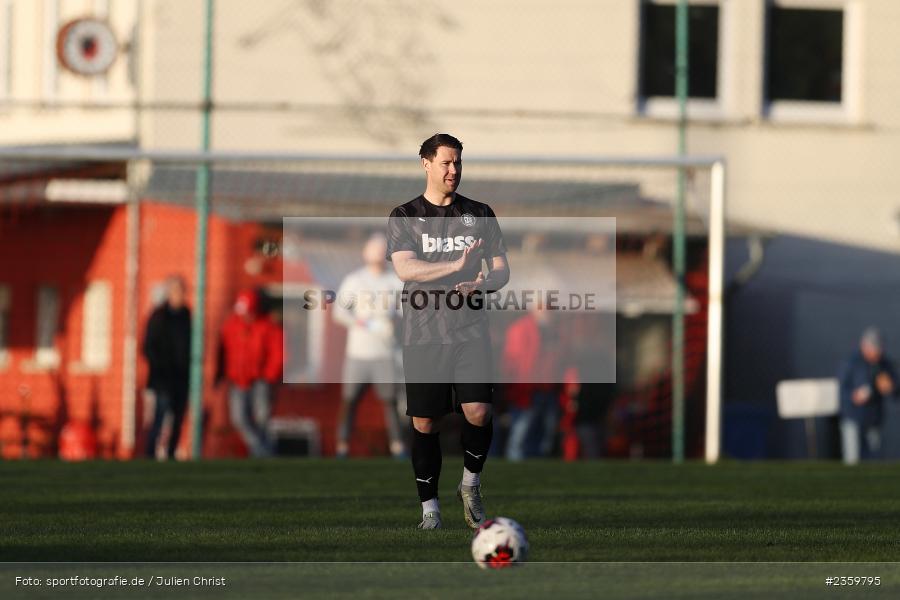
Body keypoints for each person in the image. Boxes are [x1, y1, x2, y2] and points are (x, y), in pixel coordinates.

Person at [387, 133, 510, 530]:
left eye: (458, 162)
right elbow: (406, 269)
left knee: (479, 411)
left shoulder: (480, 213)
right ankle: (430, 510)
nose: (453, 170)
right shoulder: (404, 215)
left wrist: (482, 284)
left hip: (470, 329)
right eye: (445, 163)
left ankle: (470, 484)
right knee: (426, 423)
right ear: (426, 163)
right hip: (424, 333)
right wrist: (455, 267)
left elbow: (502, 270)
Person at [333, 233, 406, 458]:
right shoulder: (354, 280)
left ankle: (398, 447)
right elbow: (339, 312)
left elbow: (407, 311)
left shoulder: (395, 282)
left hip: (385, 352)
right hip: (358, 353)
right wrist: (366, 323)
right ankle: (342, 446)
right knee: (350, 400)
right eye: (374, 249)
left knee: (389, 401)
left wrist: (393, 321)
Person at [216, 289, 283, 458]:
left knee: (262, 418)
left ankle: (264, 454)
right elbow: (222, 351)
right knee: (238, 419)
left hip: (260, 380)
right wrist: (220, 374)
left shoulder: (267, 326)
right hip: (237, 380)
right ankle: (261, 450)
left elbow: (278, 353)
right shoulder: (231, 325)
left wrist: (269, 375)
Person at [501, 306, 564, 461]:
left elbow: (565, 361)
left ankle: (539, 468)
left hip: (550, 389)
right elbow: (511, 363)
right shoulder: (520, 329)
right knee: (521, 434)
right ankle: (516, 468)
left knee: (545, 435)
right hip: (526, 390)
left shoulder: (558, 331)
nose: (548, 310)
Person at [143, 275, 191, 460]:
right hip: (162, 378)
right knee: (159, 419)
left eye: (182, 291)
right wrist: (161, 367)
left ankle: (171, 454)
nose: (179, 295)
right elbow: (148, 347)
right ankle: (150, 455)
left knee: (178, 419)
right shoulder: (158, 317)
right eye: (176, 291)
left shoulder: (187, 316)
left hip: (181, 378)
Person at [838, 327, 896, 465]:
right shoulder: (851, 362)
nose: (875, 353)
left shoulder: (884, 364)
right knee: (852, 459)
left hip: (873, 418)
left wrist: (890, 387)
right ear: (864, 346)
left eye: (877, 349)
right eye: (872, 348)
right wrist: (854, 396)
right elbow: (842, 390)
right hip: (853, 416)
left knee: (875, 459)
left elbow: (895, 390)